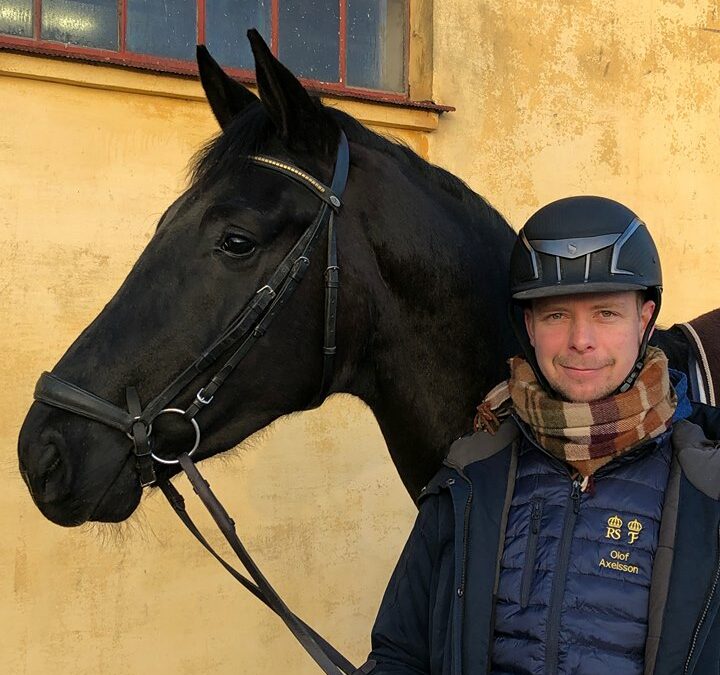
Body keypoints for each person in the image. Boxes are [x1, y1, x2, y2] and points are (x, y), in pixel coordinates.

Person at [366, 196, 720, 675]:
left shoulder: (708, 482)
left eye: (606, 313)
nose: (581, 339)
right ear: (529, 326)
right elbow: (400, 655)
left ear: (644, 318)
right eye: (556, 315)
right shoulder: (469, 477)